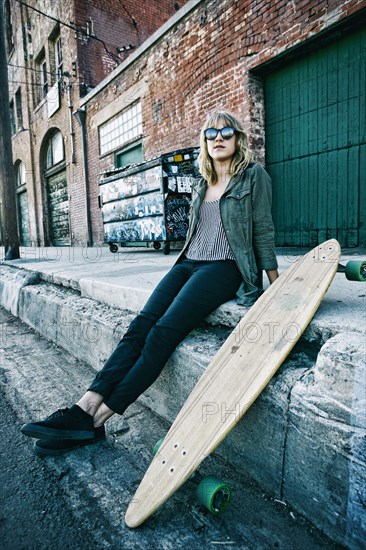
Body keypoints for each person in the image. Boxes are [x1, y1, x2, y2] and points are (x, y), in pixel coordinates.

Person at [21, 110, 279, 456]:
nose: (218, 137)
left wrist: (274, 283)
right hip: (188, 262)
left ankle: (100, 420)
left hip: (224, 267)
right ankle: (84, 408)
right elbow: (196, 232)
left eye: (226, 132)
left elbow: (262, 228)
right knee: (141, 325)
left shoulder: (253, 176)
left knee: (163, 332)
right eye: (211, 132)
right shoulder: (201, 181)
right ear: (204, 141)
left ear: (238, 139)